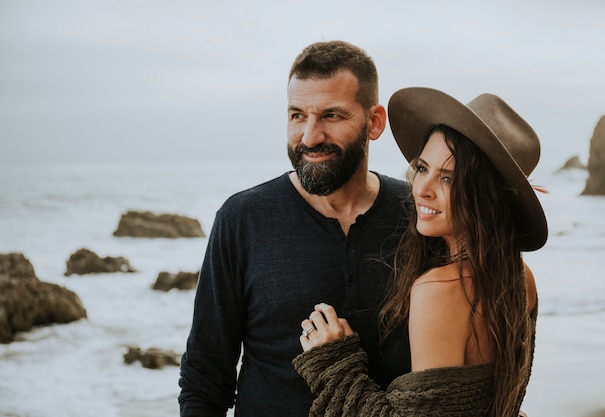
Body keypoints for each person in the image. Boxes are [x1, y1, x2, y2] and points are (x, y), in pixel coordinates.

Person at [178, 41, 410, 417]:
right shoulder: (242, 219)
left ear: (374, 122)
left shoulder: (417, 217)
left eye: (331, 116)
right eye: (297, 115)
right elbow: (205, 374)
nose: (309, 136)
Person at [293, 87, 548, 416]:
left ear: (487, 195)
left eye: (448, 178)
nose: (421, 190)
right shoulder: (521, 276)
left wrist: (335, 363)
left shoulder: (437, 290)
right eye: (423, 168)